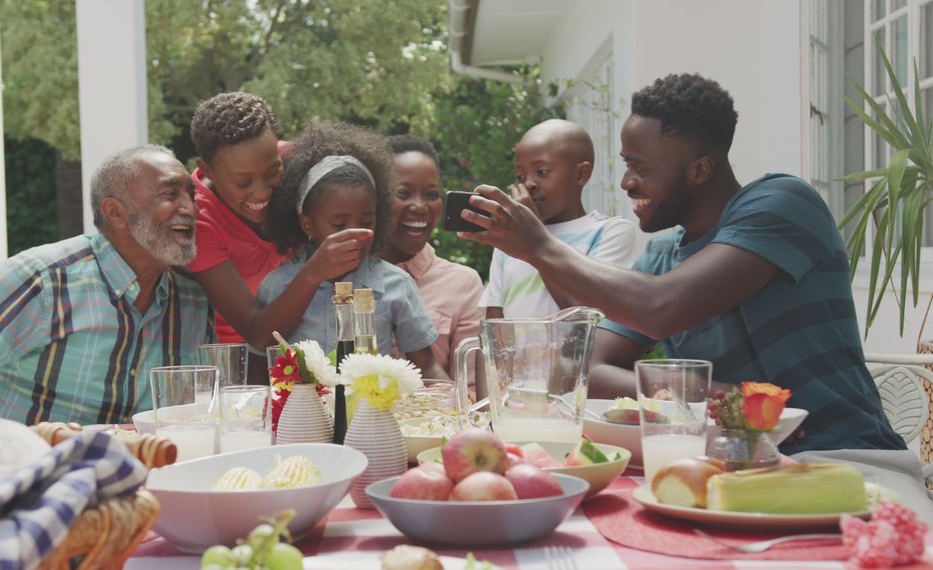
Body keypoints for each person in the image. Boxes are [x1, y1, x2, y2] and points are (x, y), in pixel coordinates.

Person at [457, 73, 904, 455]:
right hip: (727, 462)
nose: (627, 182)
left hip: (844, 454)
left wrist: (538, 246)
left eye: (641, 167)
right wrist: (723, 398)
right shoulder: (662, 253)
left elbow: (661, 307)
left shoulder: (782, 203)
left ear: (701, 170)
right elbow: (587, 369)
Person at [0, 146, 214, 439]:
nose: (191, 208)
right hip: (22, 482)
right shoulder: (46, 279)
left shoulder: (194, 302)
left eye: (191, 194)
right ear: (116, 212)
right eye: (171, 195)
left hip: (133, 489)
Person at [258, 122, 447, 379]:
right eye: (339, 224)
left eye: (367, 222)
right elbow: (261, 357)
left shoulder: (396, 284)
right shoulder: (280, 283)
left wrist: (455, 406)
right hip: (301, 416)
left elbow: (426, 365)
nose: (355, 233)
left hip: (369, 415)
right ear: (308, 224)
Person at [186, 92, 370, 348]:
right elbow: (257, 334)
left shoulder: (299, 162)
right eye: (243, 182)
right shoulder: (200, 222)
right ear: (207, 169)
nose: (262, 193)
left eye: (273, 172)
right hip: (247, 364)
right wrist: (313, 272)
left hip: (319, 341)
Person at [480, 119, 638, 319]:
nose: (529, 183)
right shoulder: (508, 243)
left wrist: (534, 243)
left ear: (581, 174)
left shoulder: (610, 232)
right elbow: (494, 331)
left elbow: (589, 322)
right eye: (520, 176)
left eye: (542, 172)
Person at [382, 134, 483, 376]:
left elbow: (470, 391)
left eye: (431, 195)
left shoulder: (463, 284)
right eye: (403, 194)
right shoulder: (344, 276)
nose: (420, 206)